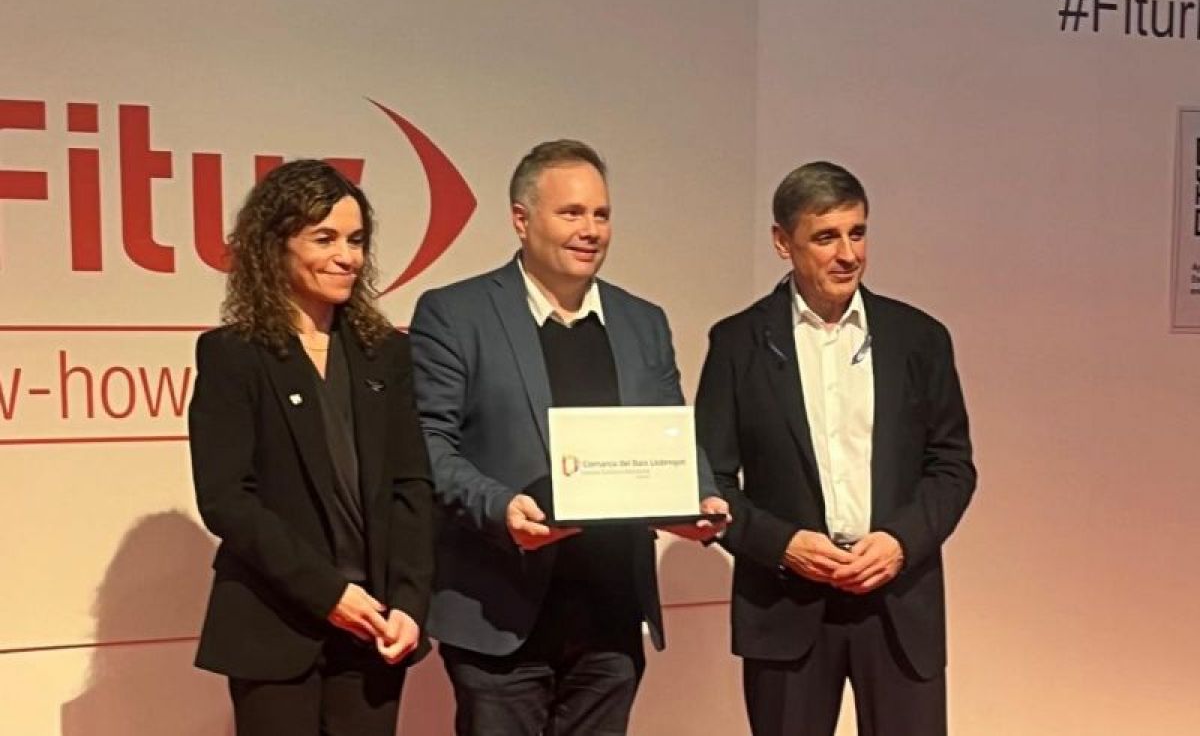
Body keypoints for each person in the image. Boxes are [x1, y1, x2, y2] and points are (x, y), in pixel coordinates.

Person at [409, 139, 728, 736]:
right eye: (572, 213)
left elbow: (668, 429)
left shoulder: (642, 320)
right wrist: (501, 508)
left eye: (601, 214)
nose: (591, 230)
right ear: (521, 219)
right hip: (499, 616)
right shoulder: (456, 313)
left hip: (610, 618)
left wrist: (699, 496)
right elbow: (428, 444)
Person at [696, 161, 976, 736]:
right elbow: (709, 482)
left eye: (858, 232)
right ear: (783, 242)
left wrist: (900, 542)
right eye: (826, 237)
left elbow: (952, 466)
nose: (848, 254)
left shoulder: (919, 338)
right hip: (786, 605)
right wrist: (784, 546)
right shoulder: (737, 343)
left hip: (898, 600)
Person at [187, 159, 435, 736]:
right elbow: (227, 500)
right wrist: (329, 594)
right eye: (325, 239)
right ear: (276, 246)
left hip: (376, 626)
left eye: (356, 240)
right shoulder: (233, 355)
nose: (347, 257)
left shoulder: (386, 354)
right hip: (275, 624)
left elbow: (412, 486)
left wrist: (409, 603)